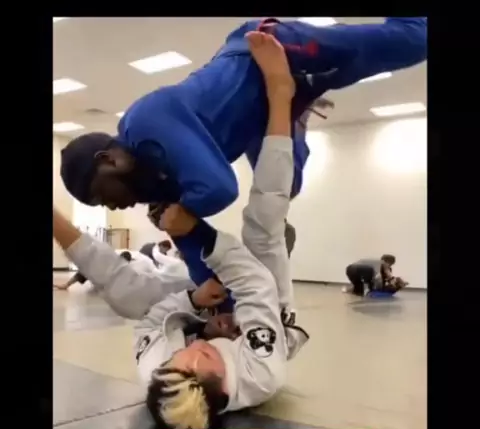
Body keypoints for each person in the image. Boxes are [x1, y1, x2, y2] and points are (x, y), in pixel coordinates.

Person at [53, 31, 308, 429]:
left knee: (131, 298)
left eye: (181, 358)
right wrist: (207, 241)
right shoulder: (259, 374)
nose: (199, 351)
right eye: (205, 359)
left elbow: (150, 323)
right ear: (221, 384)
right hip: (264, 304)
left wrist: (194, 305)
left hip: (200, 304)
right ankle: (283, 99)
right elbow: (256, 286)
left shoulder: (156, 371)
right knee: (264, 226)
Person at [59, 17, 427, 291]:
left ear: (108, 160)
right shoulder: (153, 190)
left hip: (267, 52)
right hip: (259, 115)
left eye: (102, 195)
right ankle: (292, 104)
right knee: (287, 186)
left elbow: (220, 188)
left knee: (411, 41)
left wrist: (183, 213)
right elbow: (196, 253)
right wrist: (212, 294)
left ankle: (292, 93)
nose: (113, 205)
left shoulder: (146, 121)